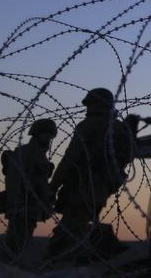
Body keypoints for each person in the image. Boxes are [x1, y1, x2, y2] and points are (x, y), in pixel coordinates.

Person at [48, 89, 133, 260]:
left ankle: (60, 264)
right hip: (103, 187)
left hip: (82, 186)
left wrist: (53, 186)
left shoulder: (87, 126)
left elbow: (70, 158)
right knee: (79, 225)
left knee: (70, 229)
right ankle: (97, 253)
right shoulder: (118, 128)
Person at [1, 119, 58, 258]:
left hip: (32, 208)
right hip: (22, 207)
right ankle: (5, 270)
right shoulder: (24, 152)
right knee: (14, 244)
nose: (48, 138)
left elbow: (40, 184)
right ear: (36, 134)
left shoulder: (41, 156)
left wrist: (47, 201)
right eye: (46, 134)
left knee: (22, 243)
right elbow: (13, 180)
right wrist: (17, 204)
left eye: (51, 135)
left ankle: (9, 269)